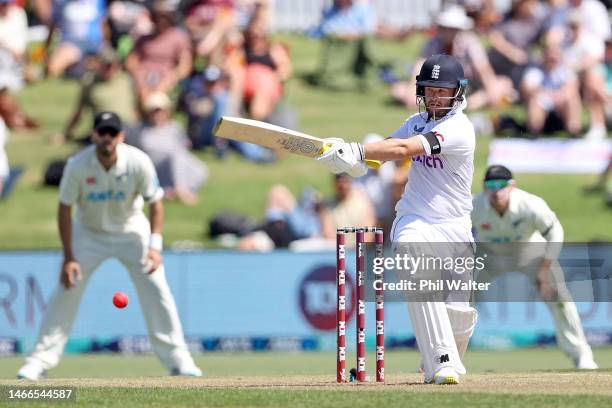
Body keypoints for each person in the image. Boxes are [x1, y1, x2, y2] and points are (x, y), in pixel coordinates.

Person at [317, 54, 478, 384]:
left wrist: (359, 152)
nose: (434, 96)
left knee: (459, 315)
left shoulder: (460, 128)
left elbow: (405, 150)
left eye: (442, 90)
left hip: (455, 226)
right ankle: (441, 361)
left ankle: (443, 357)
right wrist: (352, 161)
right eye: (429, 89)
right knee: (412, 258)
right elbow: (390, 148)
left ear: (457, 92)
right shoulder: (415, 120)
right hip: (415, 217)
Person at [16, 111, 201, 380]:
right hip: (89, 234)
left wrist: (155, 246)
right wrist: (69, 257)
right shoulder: (77, 165)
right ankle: (38, 361)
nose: (107, 138)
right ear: (94, 136)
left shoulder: (138, 162)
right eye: (102, 132)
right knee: (66, 290)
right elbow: (64, 209)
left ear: (121, 136)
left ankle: (179, 359)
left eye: (112, 133)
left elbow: (156, 202)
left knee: (157, 288)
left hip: (131, 231)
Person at [471, 165, 598, 369]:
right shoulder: (473, 205)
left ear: (512, 186)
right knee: (457, 298)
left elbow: (555, 233)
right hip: (489, 253)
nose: (496, 191)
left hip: (529, 251)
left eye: (501, 185)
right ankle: (446, 356)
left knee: (560, 298)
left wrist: (544, 269)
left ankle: (582, 355)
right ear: (484, 188)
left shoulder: (531, 204)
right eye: (491, 185)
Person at [131, 92, 208, 205]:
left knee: (201, 170)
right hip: (155, 164)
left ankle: (173, 190)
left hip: (177, 162)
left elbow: (184, 146)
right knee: (175, 156)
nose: (157, 114)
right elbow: (144, 151)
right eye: (154, 111)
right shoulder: (141, 130)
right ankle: (181, 190)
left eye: (160, 111)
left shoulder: (174, 127)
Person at [520, 45, 582, 138]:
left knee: (572, 99)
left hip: (561, 108)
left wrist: (560, 96)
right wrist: (545, 93)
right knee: (534, 101)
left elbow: (572, 86)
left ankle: (573, 132)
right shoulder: (534, 71)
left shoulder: (565, 70)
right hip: (542, 105)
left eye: (555, 57)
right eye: (550, 57)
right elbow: (527, 88)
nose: (553, 60)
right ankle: (534, 132)